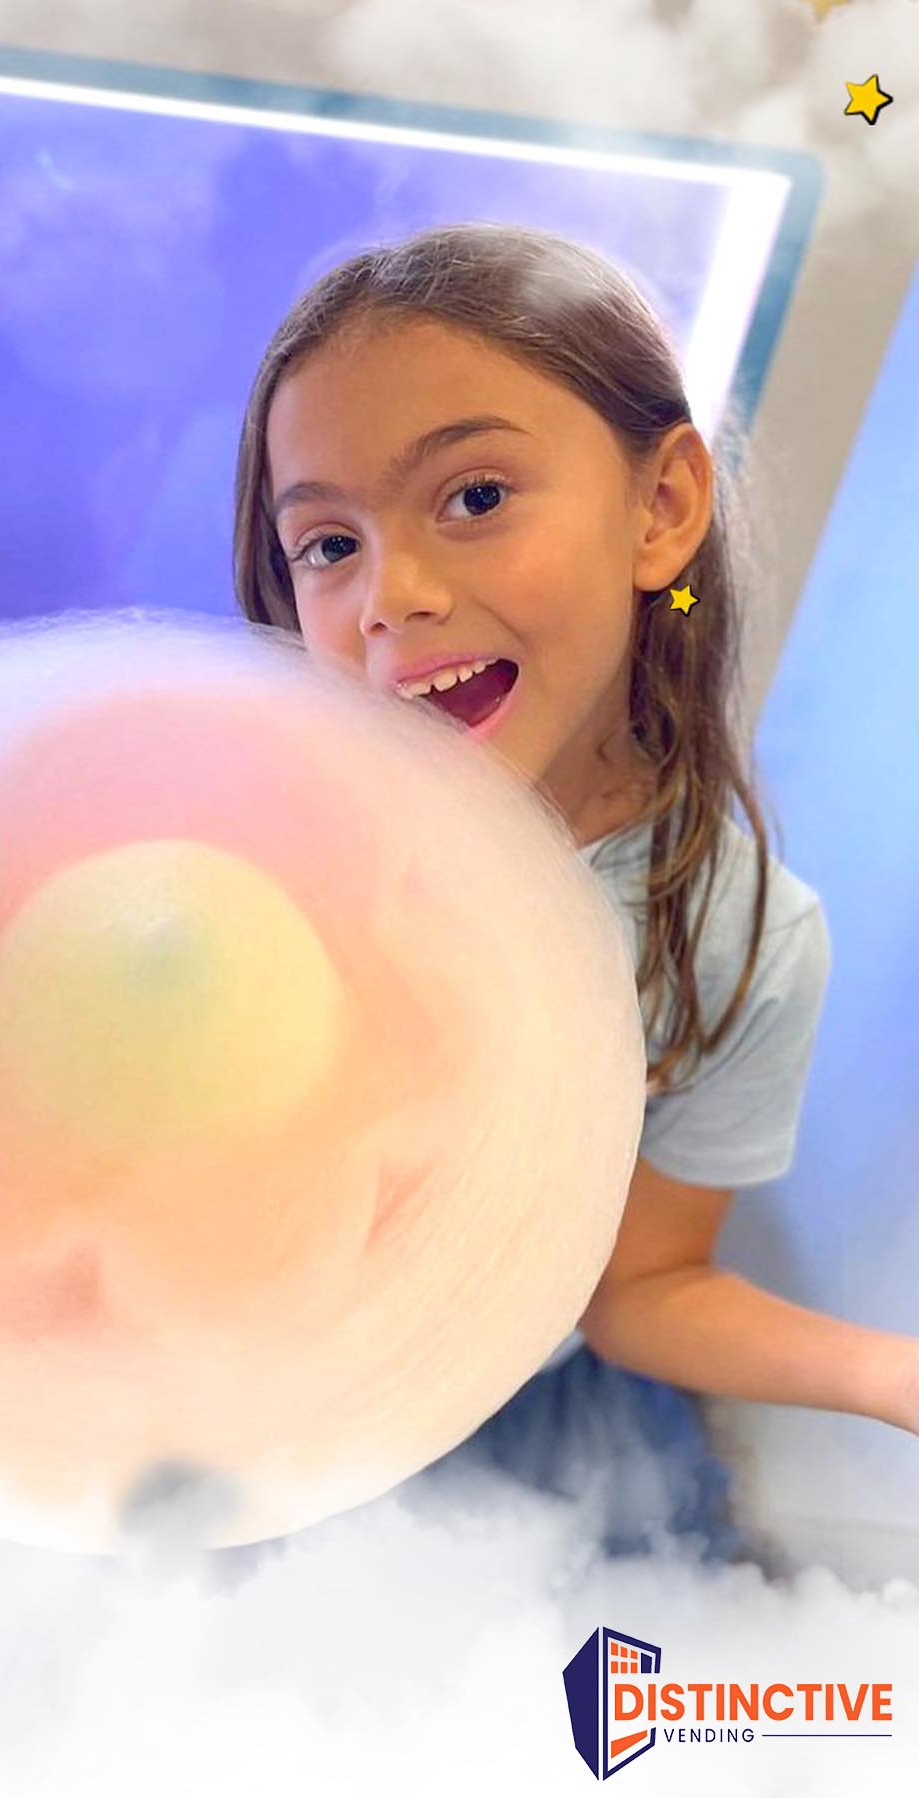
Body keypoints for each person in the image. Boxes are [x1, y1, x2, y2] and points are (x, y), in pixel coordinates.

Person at [226, 222, 919, 1567]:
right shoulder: (253, 844)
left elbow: (643, 1284)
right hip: (245, 1397)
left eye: (474, 497)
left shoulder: (737, 934)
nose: (390, 596)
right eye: (327, 544)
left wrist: (891, 1373)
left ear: (659, 509)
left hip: (509, 1425)